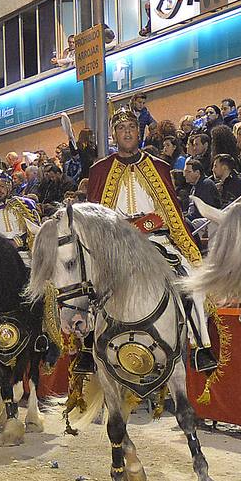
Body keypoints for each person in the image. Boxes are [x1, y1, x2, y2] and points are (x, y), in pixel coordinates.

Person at [86, 103, 216, 372]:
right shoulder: (100, 170)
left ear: (139, 132)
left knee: (191, 278)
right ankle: (88, 348)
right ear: (114, 135)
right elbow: (93, 218)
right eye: (121, 128)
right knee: (86, 285)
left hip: (157, 239)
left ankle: (200, 345)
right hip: (116, 245)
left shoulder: (158, 166)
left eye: (132, 127)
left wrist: (147, 224)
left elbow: (171, 212)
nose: (127, 133)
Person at [0, 171, 39, 254]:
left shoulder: (26, 204)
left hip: (24, 254)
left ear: (9, 186)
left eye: (2, 186)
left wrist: (17, 242)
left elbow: (36, 230)